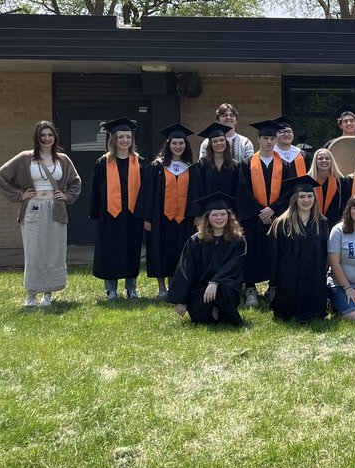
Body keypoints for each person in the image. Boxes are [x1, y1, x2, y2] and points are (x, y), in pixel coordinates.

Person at [0, 120, 82, 308]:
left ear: (55, 137)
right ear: (37, 138)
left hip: (56, 209)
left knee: (53, 251)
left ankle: (48, 294)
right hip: (33, 208)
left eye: (50, 135)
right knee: (34, 252)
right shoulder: (26, 158)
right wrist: (19, 195)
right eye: (43, 135)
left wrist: (65, 196)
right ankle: (32, 293)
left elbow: (76, 182)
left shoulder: (63, 160)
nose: (47, 138)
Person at [88, 117, 148, 300]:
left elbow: (145, 191)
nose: (125, 141)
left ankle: (131, 289)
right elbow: (95, 190)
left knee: (132, 251)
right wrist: (96, 213)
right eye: (121, 137)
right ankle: (111, 290)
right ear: (114, 139)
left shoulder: (139, 162)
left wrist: (144, 214)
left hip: (132, 216)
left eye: (128, 137)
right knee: (110, 251)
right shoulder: (102, 163)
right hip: (109, 215)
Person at [167, 191, 245, 325]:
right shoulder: (196, 241)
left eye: (223, 214)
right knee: (202, 319)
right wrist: (182, 300)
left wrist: (215, 282)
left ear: (229, 217)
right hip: (200, 289)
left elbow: (233, 265)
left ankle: (226, 313)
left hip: (226, 286)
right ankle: (215, 310)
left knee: (225, 290)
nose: (219, 218)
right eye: (215, 215)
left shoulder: (237, 240)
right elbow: (186, 269)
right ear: (207, 217)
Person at [236, 120, 292, 307]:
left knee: (275, 252)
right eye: (265, 138)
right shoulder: (246, 164)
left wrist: (273, 209)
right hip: (253, 218)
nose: (269, 142)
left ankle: (272, 287)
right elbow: (243, 191)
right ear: (258, 139)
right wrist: (259, 211)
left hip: (276, 218)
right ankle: (250, 288)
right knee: (251, 252)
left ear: (276, 140)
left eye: (272, 138)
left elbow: (288, 191)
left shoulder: (285, 164)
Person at [267, 176, 330, 323]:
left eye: (309, 196)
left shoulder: (322, 222)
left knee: (314, 309)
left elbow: (324, 252)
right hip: (288, 276)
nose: (306, 200)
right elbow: (275, 256)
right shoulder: (281, 223)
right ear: (295, 198)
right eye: (302, 196)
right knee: (286, 310)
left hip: (313, 275)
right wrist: (273, 283)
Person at [145, 123, 195, 299]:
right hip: (160, 218)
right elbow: (148, 194)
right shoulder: (156, 166)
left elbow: (195, 194)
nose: (178, 146)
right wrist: (148, 218)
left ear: (186, 145)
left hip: (184, 219)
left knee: (180, 251)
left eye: (181, 143)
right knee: (160, 250)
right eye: (174, 143)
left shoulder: (191, 167)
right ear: (168, 145)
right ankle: (161, 288)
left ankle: (176, 286)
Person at [188, 122, 241, 218]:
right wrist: (198, 215)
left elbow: (238, 191)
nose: (219, 143)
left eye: (222, 140)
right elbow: (196, 191)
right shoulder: (201, 165)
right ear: (210, 145)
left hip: (230, 213)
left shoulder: (235, 166)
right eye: (215, 141)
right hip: (207, 214)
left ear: (226, 142)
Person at [308, 147, 345, 229]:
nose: (324, 161)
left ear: (331, 161)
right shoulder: (307, 181)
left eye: (327, 158)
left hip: (335, 226)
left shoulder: (341, 182)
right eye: (320, 158)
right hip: (311, 225)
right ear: (315, 161)